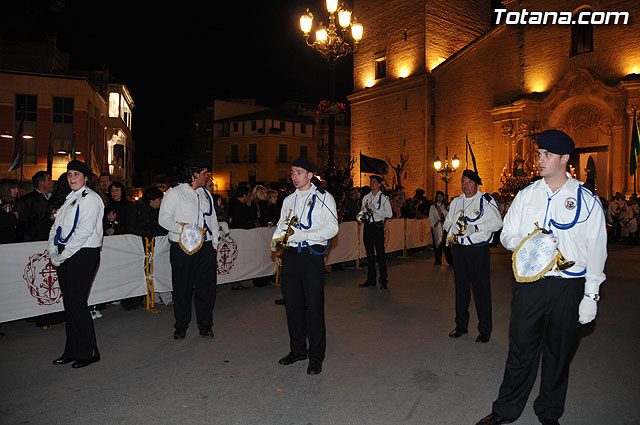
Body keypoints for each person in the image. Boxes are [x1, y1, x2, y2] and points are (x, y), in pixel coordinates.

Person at [475, 129, 607, 425]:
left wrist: (591, 295)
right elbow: (507, 234)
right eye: (539, 154)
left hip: (569, 285)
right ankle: (506, 408)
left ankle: (549, 411)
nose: (540, 160)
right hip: (531, 284)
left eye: (547, 155)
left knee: (559, 352)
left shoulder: (585, 199)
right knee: (521, 348)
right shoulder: (527, 194)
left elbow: (597, 248)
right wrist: (528, 243)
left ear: (564, 159)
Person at [271, 158, 339, 375]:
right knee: (293, 306)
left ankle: (316, 356)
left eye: (299, 172)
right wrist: (278, 238)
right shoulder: (289, 199)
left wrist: (305, 235)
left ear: (310, 175)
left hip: (311, 256)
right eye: (292, 172)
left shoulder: (324, 197)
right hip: (291, 256)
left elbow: (332, 228)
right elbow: (283, 222)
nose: (294, 176)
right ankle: (298, 350)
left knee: (314, 307)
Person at [48, 160, 104, 369]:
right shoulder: (70, 199)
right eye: (69, 174)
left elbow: (83, 232)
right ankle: (72, 350)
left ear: (86, 177)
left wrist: (62, 256)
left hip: (83, 254)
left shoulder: (91, 199)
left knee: (78, 304)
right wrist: (53, 250)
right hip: (68, 253)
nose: (72, 178)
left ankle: (90, 351)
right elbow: (57, 228)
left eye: (76, 174)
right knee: (70, 305)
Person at [158, 159, 219, 340]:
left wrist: (214, 241)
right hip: (182, 247)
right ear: (194, 175)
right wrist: (184, 229)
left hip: (205, 247)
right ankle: (181, 325)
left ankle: (205, 325)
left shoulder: (206, 194)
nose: (206, 177)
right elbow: (164, 219)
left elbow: (212, 219)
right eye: (204, 173)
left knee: (207, 288)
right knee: (182, 288)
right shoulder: (175, 193)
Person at [443, 169, 502, 343]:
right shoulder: (456, 201)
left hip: (477, 250)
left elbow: (497, 222)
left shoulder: (485, 200)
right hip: (459, 249)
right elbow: (447, 221)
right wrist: (451, 228)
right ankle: (461, 325)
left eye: (469, 182)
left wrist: (475, 228)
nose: (465, 185)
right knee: (460, 289)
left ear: (476, 184)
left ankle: (485, 329)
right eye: (463, 182)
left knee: (481, 290)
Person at [358, 175, 393, 289]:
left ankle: (383, 279)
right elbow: (363, 210)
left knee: (380, 253)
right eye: (371, 182)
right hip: (368, 226)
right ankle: (371, 279)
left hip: (378, 226)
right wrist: (361, 215)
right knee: (369, 253)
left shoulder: (384, 198)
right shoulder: (366, 197)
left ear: (379, 184)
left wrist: (376, 211)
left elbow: (389, 214)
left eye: (374, 182)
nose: (372, 183)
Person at [14, 171, 54, 242]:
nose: (52, 182)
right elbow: (21, 224)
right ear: (40, 182)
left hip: (51, 240)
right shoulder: (26, 200)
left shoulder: (55, 198)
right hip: (32, 241)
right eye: (49, 179)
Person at [428, 190, 452, 265]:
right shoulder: (433, 207)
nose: (440, 198)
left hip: (444, 227)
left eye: (441, 196)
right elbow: (431, 217)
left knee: (446, 244)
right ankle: (438, 260)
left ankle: (450, 261)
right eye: (438, 196)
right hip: (436, 227)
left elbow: (448, 216)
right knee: (437, 244)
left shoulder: (445, 206)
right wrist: (433, 226)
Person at [0, 179, 19, 244]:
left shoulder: (15, 203)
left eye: (16, 188)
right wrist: (13, 216)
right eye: (13, 188)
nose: (16, 191)